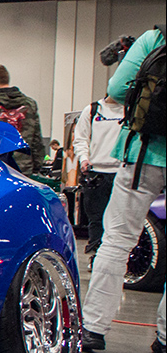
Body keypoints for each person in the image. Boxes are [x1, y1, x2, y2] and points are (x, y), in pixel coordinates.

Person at [81, 27, 165, 353]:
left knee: (116, 240)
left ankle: (93, 328)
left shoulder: (155, 39)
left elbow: (116, 89)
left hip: (141, 154)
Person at [71, 93, 124, 267]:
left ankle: (118, 260)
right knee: (97, 219)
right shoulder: (93, 111)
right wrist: (83, 159)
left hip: (122, 172)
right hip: (97, 173)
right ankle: (97, 257)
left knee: (120, 220)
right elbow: (81, 139)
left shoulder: (129, 110)